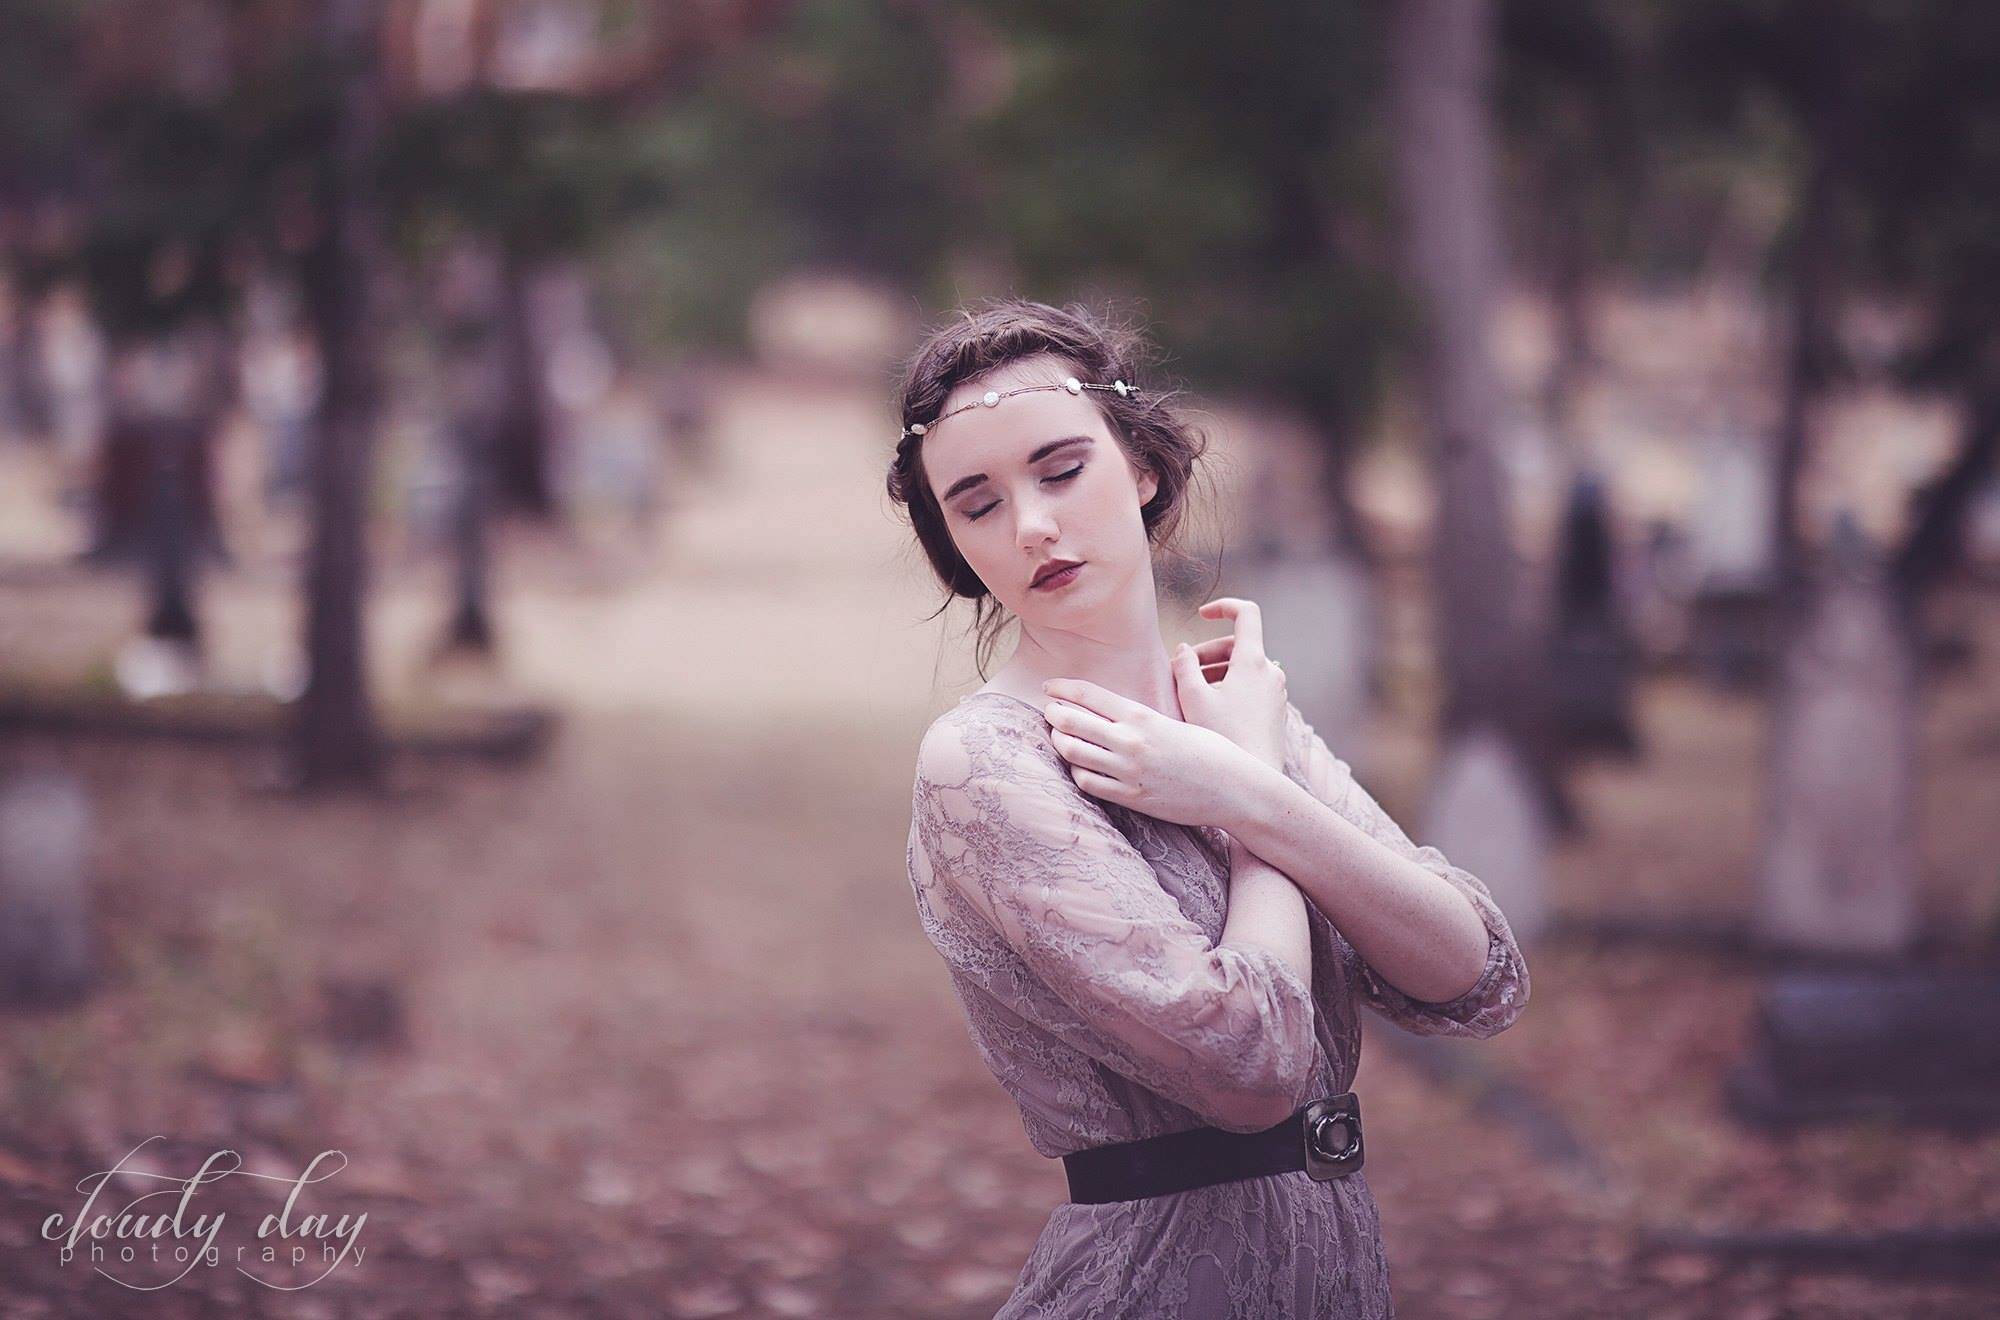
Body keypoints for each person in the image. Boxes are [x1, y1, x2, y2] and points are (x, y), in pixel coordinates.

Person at [889, 298, 1530, 1319]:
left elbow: (1471, 972)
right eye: (976, 505)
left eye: (1060, 470)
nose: (1032, 525)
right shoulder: (983, 763)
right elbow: (1251, 1064)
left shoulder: (1232, 709)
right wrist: (1252, 799)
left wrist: (1243, 784)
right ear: (955, 547)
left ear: (1141, 468)